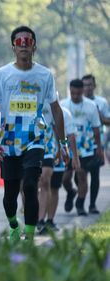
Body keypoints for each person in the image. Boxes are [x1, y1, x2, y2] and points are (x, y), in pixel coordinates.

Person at [0, 26, 69, 243]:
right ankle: (14, 224)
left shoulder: (45, 75)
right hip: (9, 141)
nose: (24, 45)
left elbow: (56, 109)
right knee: (10, 194)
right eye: (19, 42)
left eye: (28, 42)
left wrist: (63, 144)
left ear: (34, 47)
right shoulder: (2, 74)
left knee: (31, 185)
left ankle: (30, 236)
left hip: (35, 139)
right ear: (13, 47)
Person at [60, 79, 103, 216]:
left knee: (82, 175)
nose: (75, 96)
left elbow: (96, 128)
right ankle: (71, 192)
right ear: (70, 90)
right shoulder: (63, 105)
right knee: (65, 178)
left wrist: (99, 148)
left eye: (78, 94)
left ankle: (80, 204)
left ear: (82, 91)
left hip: (85, 148)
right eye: (73, 93)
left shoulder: (91, 106)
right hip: (68, 147)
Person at [39, 104, 79, 232]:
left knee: (54, 187)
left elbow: (71, 135)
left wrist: (75, 157)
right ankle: (39, 220)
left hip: (59, 155)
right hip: (41, 152)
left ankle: (50, 220)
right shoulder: (37, 107)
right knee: (43, 183)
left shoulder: (64, 113)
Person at [81, 74, 110, 214]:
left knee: (94, 175)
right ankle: (77, 197)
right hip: (79, 146)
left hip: (95, 143)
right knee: (79, 176)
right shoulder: (76, 101)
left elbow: (108, 121)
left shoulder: (101, 102)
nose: (87, 88)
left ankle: (92, 204)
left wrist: (99, 115)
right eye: (85, 85)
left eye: (90, 85)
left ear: (94, 86)